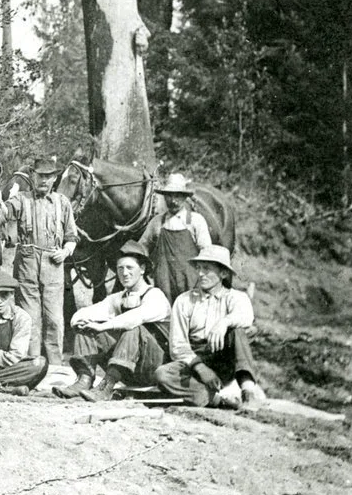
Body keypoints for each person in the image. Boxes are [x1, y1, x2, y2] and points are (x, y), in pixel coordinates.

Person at [55, 241, 170, 401]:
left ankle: (107, 386)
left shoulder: (155, 295)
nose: (124, 273)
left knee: (134, 329)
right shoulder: (119, 298)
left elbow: (135, 318)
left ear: (142, 269)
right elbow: (85, 313)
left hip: (155, 368)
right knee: (86, 327)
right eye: (120, 268)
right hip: (128, 369)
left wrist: (103, 326)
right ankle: (84, 380)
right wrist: (80, 322)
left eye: (130, 268)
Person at [154, 245, 265, 409]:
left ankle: (248, 393)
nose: (200, 274)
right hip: (194, 359)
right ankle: (217, 400)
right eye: (199, 268)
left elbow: (246, 318)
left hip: (224, 359)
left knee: (238, 332)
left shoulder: (236, 297)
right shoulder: (184, 301)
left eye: (206, 269)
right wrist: (200, 368)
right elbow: (178, 345)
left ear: (223, 273)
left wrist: (224, 322)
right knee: (162, 374)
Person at [1, 157, 78, 364]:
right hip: (26, 264)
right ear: (33, 176)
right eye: (40, 175)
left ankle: (54, 365)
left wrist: (65, 252)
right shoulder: (21, 199)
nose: (44, 180)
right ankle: (32, 364)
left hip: (54, 264)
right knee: (29, 317)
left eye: (48, 176)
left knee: (54, 318)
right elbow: (3, 212)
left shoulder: (63, 203)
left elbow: (72, 237)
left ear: (54, 179)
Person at [138, 172, 213, 302]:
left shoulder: (195, 220)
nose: (173, 201)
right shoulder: (157, 222)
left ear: (184, 197)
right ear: (164, 197)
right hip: (164, 282)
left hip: (191, 281)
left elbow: (207, 252)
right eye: (169, 196)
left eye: (177, 196)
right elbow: (142, 247)